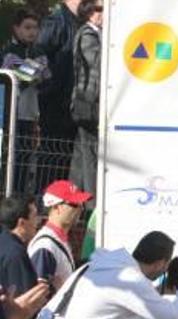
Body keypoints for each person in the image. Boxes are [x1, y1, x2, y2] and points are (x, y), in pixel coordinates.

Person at [31, 231, 178, 319]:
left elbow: (119, 297)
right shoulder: (130, 279)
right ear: (161, 262)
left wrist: (160, 291)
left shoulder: (106, 264)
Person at [1, 8, 51, 194]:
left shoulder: (38, 51)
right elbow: (28, 76)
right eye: (27, 27)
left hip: (30, 115)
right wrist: (33, 71)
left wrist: (32, 71)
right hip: (10, 115)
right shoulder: (9, 51)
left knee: (24, 161)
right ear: (16, 28)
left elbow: (45, 77)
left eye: (35, 27)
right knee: (9, 160)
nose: (32, 31)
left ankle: (19, 198)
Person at [36, 0, 80, 188]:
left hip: (75, 107)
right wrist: (48, 88)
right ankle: (45, 204)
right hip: (55, 106)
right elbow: (37, 58)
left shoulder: (83, 22)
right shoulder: (55, 23)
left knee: (69, 162)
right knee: (53, 160)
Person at [0, 195, 50, 319]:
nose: (38, 221)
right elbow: (26, 305)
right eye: (34, 216)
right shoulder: (15, 254)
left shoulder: (5, 243)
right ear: (22, 222)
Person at [28, 180, 91, 291]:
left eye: (82, 204)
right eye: (75, 204)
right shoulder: (45, 246)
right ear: (57, 207)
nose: (81, 208)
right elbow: (37, 294)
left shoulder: (58, 239)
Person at [69, 0, 103, 201]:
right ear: (90, 13)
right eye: (100, 9)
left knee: (81, 158)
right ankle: (91, 206)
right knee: (90, 157)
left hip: (89, 103)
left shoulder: (97, 34)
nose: (104, 13)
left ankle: (72, 203)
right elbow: (98, 63)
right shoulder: (87, 34)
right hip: (87, 104)